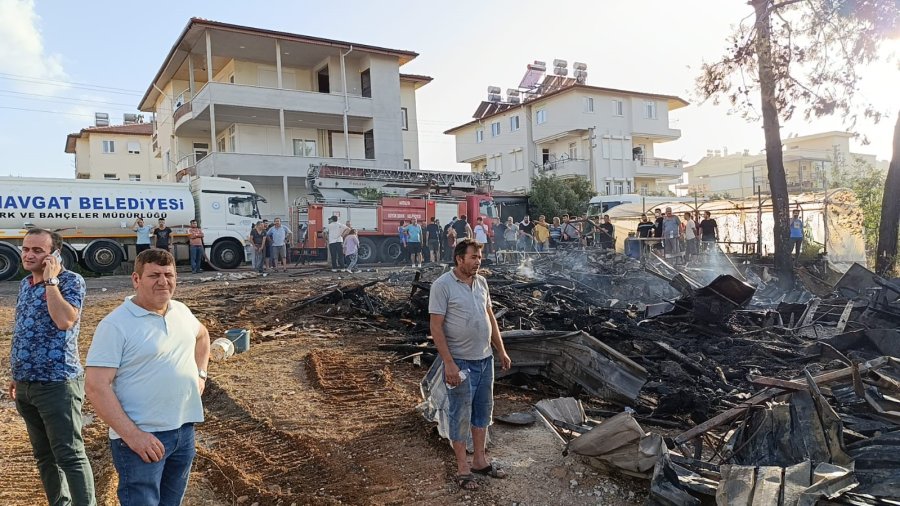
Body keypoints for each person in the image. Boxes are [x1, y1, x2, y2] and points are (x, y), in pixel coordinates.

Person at [85, 249, 210, 506]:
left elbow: (203, 336)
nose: (163, 282)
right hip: (142, 440)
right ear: (136, 279)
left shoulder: (181, 312)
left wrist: (201, 374)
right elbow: (96, 386)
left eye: (169, 275)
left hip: (183, 432)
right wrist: (133, 436)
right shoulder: (116, 325)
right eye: (154, 275)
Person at [9, 228, 97, 506]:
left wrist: (51, 282)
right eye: (26, 249)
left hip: (57, 384)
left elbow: (64, 321)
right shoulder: (25, 285)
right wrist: (16, 374)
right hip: (25, 385)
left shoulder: (71, 282)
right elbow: (24, 331)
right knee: (44, 456)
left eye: (38, 250)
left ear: (54, 255)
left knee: (69, 455)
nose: (29, 255)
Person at [429, 239, 511, 491]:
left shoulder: (482, 283)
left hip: (485, 360)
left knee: (483, 413)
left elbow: (490, 318)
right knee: (460, 415)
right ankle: (463, 469)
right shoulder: (442, 285)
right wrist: (449, 363)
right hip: (461, 363)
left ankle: (480, 461)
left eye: (479, 257)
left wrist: (501, 350)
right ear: (459, 259)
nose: (477, 261)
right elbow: (436, 326)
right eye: (473, 257)